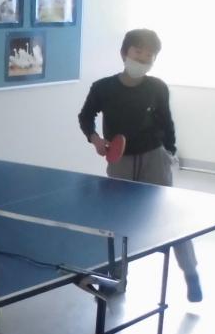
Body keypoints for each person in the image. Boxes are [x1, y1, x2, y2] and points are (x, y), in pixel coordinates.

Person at [77, 28, 202, 302]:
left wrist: (169, 151)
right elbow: (85, 117)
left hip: (154, 157)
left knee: (170, 218)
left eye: (150, 55)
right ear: (125, 53)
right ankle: (115, 279)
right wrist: (95, 139)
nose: (143, 59)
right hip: (120, 160)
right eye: (138, 52)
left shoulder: (157, 87)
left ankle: (191, 273)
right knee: (117, 221)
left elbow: (166, 122)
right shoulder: (103, 87)